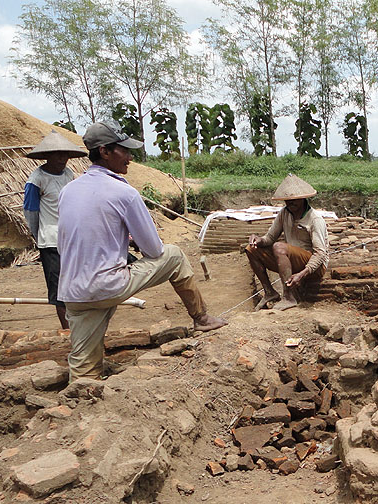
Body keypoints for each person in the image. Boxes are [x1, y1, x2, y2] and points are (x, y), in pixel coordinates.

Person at [57, 120, 226, 381]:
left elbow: (81, 237)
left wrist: (120, 241)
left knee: (83, 369)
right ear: (104, 151)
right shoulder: (124, 192)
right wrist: (133, 241)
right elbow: (154, 249)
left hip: (73, 292)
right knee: (174, 255)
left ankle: (79, 402)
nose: (130, 157)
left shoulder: (68, 191)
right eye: (124, 150)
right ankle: (202, 318)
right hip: (108, 285)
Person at [23, 131, 87, 329]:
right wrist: (38, 235)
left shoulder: (69, 175)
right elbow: (30, 211)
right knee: (59, 290)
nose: (62, 159)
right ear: (46, 156)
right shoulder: (37, 179)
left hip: (72, 239)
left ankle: (82, 327)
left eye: (65, 154)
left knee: (78, 284)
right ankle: (68, 332)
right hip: (51, 241)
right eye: (57, 154)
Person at [244, 174, 329, 311]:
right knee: (251, 249)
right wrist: (258, 240)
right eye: (287, 201)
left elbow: (320, 253)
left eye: (294, 200)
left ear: (303, 199)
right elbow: (270, 238)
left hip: (313, 266)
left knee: (279, 247)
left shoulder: (315, 219)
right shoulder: (284, 213)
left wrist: (302, 274)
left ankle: (289, 296)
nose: (290, 204)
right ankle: (269, 292)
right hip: (290, 261)